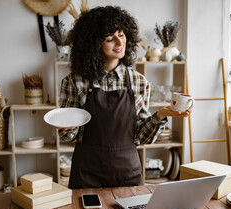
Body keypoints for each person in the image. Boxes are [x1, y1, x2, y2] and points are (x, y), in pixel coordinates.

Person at [58, 6, 191, 189]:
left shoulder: (139, 82)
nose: (119, 42)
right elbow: (67, 136)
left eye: (121, 34)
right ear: (94, 44)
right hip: (87, 172)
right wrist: (66, 126)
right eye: (109, 39)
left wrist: (160, 115)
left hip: (127, 173)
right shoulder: (74, 81)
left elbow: (142, 136)